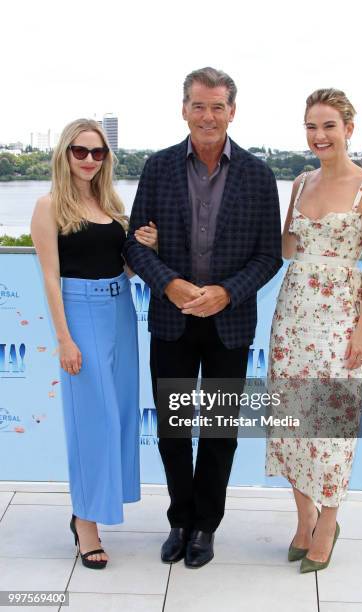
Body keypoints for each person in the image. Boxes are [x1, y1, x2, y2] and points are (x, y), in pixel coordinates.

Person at [124, 67, 282, 568]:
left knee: (217, 431)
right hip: (171, 319)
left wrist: (225, 293)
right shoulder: (157, 167)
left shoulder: (257, 175)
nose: (208, 115)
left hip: (228, 323)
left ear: (232, 111)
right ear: (184, 109)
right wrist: (168, 283)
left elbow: (269, 255)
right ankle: (179, 519)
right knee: (173, 427)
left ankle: (205, 527)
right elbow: (134, 241)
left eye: (217, 106)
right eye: (199, 105)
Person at [265, 89, 362, 573]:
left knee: (332, 426)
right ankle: (303, 519)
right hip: (293, 313)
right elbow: (286, 248)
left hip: (341, 317)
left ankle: (328, 520)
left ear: (348, 130)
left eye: (329, 126)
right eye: (311, 127)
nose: (319, 136)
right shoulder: (299, 182)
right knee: (292, 421)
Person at [31, 119, 155, 569]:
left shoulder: (111, 204)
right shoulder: (49, 207)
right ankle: (86, 524)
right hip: (79, 314)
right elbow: (50, 277)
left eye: (98, 153)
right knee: (93, 421)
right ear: (64, 154)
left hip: (120, 310)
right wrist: (64, 338)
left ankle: (91, 509)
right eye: (80, 151)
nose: (88, 160)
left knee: (119, 415)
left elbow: (124, 269)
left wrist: (144, 248)